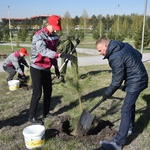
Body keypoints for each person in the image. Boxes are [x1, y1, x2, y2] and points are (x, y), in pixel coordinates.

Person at [95, 38, 148, 150]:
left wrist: (106, 94)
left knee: (125, 109)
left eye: (100, 50)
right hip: (139, 77)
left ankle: (118, 143)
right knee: (130, 104)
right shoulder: (124, 45)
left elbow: (116, 81)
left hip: (136, 81)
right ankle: (129, 127)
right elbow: (139, 55)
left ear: (106, 46)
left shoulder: (115, 56)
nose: (100, 53)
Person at [29, 15, 72, 125]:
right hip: (37, 67)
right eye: (53, 27)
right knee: (37, 93)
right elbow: (43, 51)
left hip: (46, 68)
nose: (55, 30)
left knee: (48, 91)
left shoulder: (55, 37)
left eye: (56, 28)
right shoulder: (38, 36)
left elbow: (53, 52)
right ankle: (32, 117)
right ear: (47, 25)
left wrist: (56, 67)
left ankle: (46, 113)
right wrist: (60, 55)